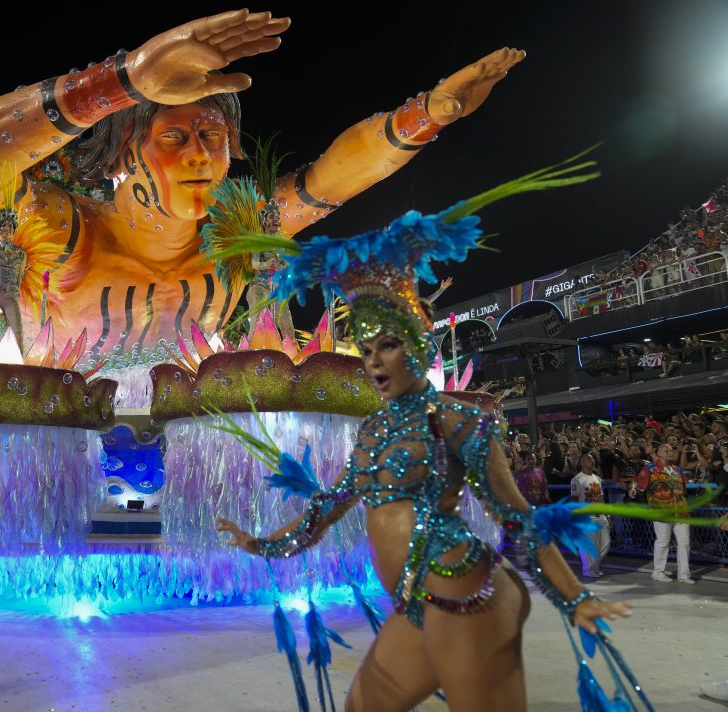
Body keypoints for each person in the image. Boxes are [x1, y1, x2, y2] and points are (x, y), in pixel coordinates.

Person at [213, 166, 631, 710]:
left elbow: (519, 518)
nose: (373, 362)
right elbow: (329, 507)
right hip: (417, 602)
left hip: (465, 594)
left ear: (417, 347)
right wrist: (261, 544)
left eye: (386, 346)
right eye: (365, 351)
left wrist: (573, 596)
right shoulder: (373, 429)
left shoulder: (454, 420)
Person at [0, 10, 525, 355]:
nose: (201, 155)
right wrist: (124, 81)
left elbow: (334, 178)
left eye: (213, 136)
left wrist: (429, 114)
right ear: (126, 149)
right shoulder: (64, 232)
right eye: (174, 137)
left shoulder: (238, 233)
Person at [638, 443, 694, 583]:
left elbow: (684, 492)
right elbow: (638, 484)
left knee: (685, 543)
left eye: (672, 449)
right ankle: (658, 572)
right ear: (659, 453)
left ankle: (684, 574)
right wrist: (634, 489)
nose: (671, 452)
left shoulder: (678, 470)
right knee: (663, 542)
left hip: (681, 512)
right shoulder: (650, 469)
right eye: (667, 450)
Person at [570, 454, 610, 578]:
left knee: (605, 543)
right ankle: (588, 569)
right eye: (588, 459)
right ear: (581, 462)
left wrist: (607, 514)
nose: (591, 460)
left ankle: (595, 566)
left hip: (600, 514)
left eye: (592, 458)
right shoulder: (577, 479)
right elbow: (574, 499)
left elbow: (601, 497)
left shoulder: (597, 478)